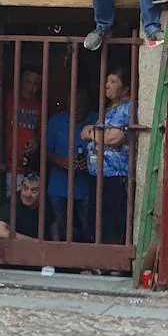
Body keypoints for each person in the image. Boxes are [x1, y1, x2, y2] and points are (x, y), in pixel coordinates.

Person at [81, 68, 133, 246]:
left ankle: (113, 263)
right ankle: (99, 261)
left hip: (114, 175)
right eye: (107, 81)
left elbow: (114, 138)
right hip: (98, 174)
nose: (107, 85)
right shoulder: (110, 109)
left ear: (125, 88)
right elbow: (97, 134)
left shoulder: (127, 108)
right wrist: (96, 134)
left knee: (112, 219)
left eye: (113, 81)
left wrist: (91, 133)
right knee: (96, 219)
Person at [44, 97, 96, 243]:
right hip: (59, 186)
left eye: (79, 108)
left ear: (87, 107)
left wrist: (91, 163)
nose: (75, 112)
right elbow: (45, 150)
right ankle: (61, 262)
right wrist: (61, 161)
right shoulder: (57, 121)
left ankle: (85, 262)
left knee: (89, 228)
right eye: (71, 109)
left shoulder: (96, 119)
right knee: (60, 226)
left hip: (87, 186)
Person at [0, 172, 42, 240]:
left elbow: (53, 226)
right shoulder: (12, 202)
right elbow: (0, 232)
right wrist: (34, 242)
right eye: (25, 188)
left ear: (42, 193)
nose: (28, 194)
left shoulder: (45, 203)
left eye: (33, 190)